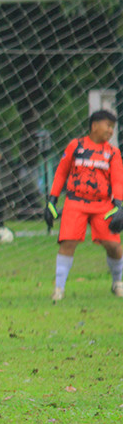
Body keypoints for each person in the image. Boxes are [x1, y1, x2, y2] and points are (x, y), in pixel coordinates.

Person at [45, 110, 123, 302]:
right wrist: (52, 200)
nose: (111, 131)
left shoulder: (112, 152)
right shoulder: (76, 146)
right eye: (108, 126)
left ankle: (117, 282)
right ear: (94, 125)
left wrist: (119, 205)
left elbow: (118, 180)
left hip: (103, 204)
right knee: (68, 242)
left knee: (113, 245)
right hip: (75, 202)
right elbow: (61, 173)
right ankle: (59, 289)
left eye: (113, 127)